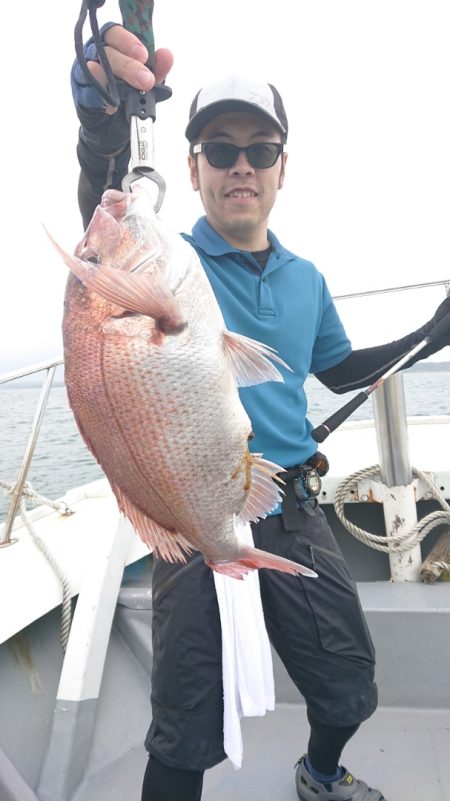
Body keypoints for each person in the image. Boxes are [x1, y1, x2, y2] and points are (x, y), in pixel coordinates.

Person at [71, 24, 450, 801]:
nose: (240, 163)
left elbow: (340, 368)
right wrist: (102, 139)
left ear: (281, 168)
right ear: (192, 168)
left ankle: (318, 771)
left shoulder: (306, 277)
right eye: (218, 149)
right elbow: (104, 225)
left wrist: (428, 332)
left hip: (289, 501)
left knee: (349, 682)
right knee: (183, 727)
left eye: (259, 149)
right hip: (190, 506)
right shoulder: (166, 261)